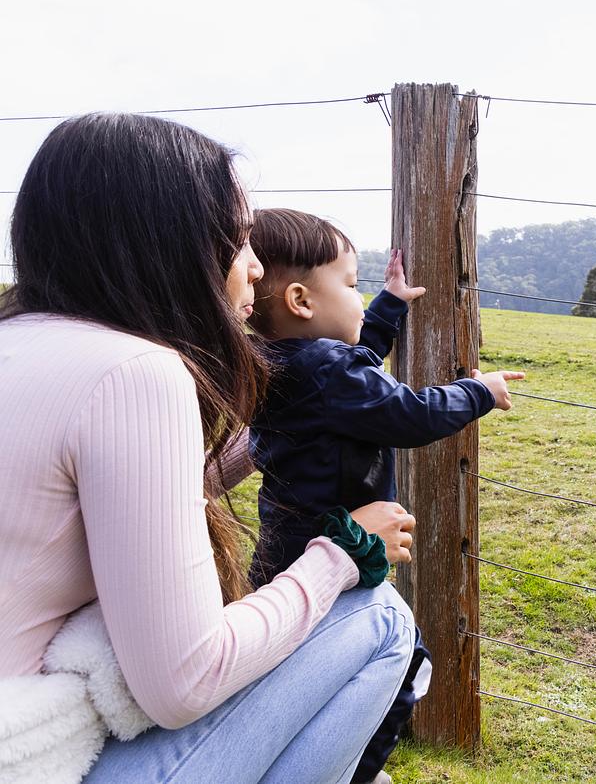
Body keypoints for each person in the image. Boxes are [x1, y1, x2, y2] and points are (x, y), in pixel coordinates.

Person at [0, 113, 418, 784]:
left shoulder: (19, 339)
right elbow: (184, 680)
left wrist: (262, 444)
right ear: (169, 239)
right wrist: (340, 557)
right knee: (379, 618)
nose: (255, 268)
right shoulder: (135, 371)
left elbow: (115, 504)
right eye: (241, 239)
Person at [244, 207, 523, 784]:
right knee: (403, 668)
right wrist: (477, 392)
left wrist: (388, 305)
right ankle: (356, 771)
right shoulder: (323, 368)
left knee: (296, 674)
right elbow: (408, 414)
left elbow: (355, 361)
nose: (358, 294)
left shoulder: (278, 360)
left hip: (284, 550)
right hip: (339, 551)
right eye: (351, 285)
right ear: (301, 301)